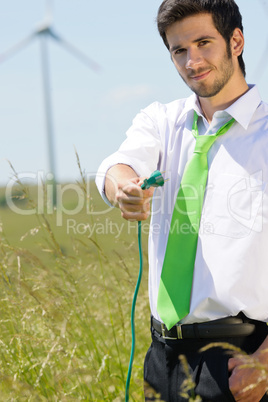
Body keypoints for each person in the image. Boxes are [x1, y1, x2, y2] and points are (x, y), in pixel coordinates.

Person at [95, 0, 268, 400]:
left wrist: (263, 364)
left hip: (239, 361)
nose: (192, 61)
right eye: (179, 50)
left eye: (204, 43)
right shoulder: (160, 120)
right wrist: (123, 188)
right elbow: (117, 165)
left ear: (236, 41)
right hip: (162, 358)